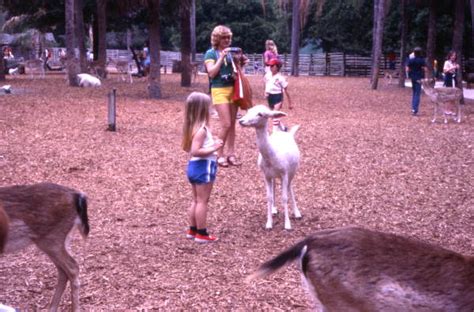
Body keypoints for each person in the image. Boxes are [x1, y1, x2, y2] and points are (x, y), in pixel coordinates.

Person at [182, 92, 223, 243]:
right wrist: (214, 148)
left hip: (194, 166)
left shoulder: (193, 127)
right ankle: (201, 233)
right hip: (203, 166)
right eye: (208, 107)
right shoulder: (202, 130)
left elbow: (191, 149)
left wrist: (212, 144)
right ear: (202, 110)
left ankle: (192, 230)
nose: (210, 109)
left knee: (196, 200)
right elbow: (196, 151)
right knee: (202, 201)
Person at [204, 25, 241, 168]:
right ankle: (218, 154)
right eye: (223, 37)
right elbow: (212, 73)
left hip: (232, 89)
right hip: (219, 90)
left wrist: (239, 64)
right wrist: (221, 57)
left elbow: (234, 73)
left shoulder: (231, 54)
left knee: (232, 124)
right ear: (217, 39)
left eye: (228, 37)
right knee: (225, 123)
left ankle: (231, 153)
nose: (227, 40)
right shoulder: (210, 54)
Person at [264, 58, 293, 131]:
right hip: (270, 96)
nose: (270, 68)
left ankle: (274, 132)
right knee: (273, 115)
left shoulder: (281, 78)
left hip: (278, 96)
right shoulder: (267, 75)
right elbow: (266, 84)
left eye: (272, 66)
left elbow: (286, 91)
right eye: (269, 66)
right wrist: (266, 92)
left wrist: (290, 103)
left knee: (275, 114)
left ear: (277, 67)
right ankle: (283, 128)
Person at [406, 47, 427, 116]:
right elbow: (425, 69)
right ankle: (415, 109)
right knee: (417, 94)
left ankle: (413, 108)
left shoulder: (411, 60)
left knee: (414, 92)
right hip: (419, 78)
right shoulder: (422, 60)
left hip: (413, 78)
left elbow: (407, 69)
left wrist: (411, 71)